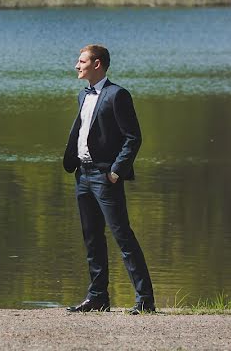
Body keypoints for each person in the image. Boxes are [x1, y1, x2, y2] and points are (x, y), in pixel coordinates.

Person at [63, 44, 155, 314]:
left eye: (82, 61)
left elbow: (133, 137)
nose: (77, 66)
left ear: (98, 64)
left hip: (106, 177)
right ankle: (98, 297)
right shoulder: (83, 95)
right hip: (83, 175)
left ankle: (145, 300)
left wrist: (116, 171)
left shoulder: (118, 95)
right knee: (92, 238)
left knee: (122, 236)